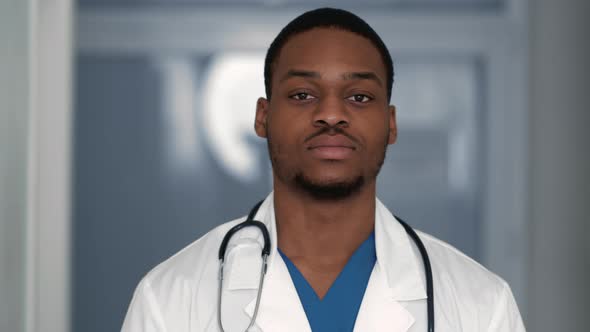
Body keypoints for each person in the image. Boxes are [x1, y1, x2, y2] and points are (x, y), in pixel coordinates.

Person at [121, 8, 525, 332]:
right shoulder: (170, 301)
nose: (331, 114)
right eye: (302, 94)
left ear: (391, 123)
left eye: (359, 96)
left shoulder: (481, 306)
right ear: (262, 117)